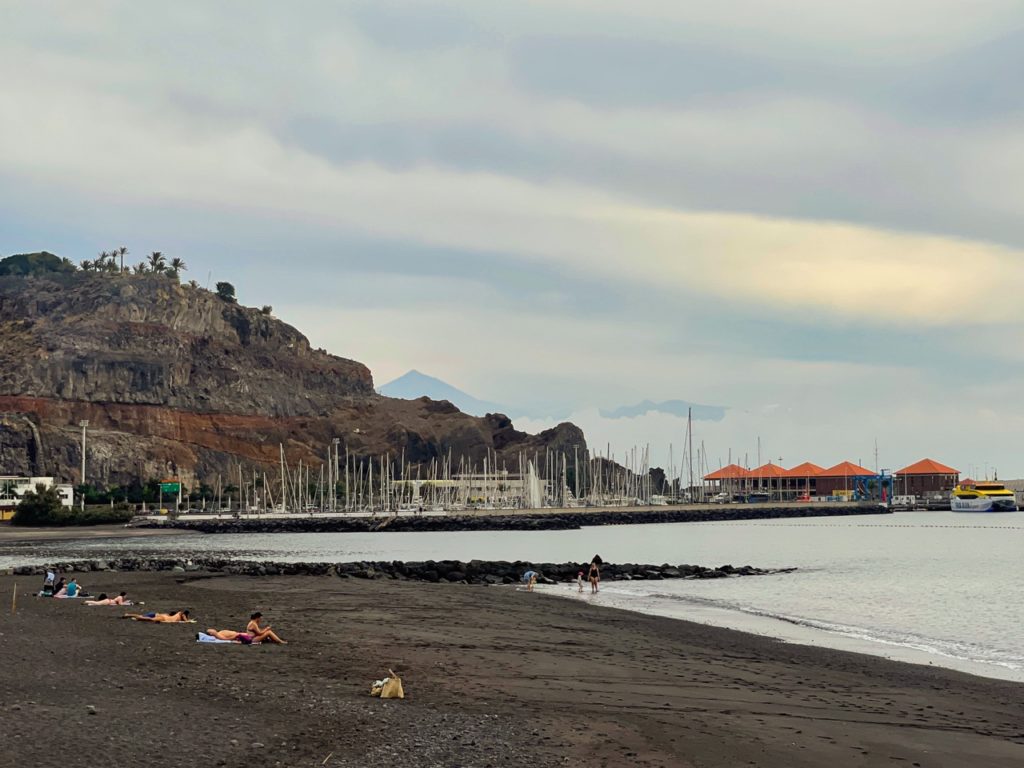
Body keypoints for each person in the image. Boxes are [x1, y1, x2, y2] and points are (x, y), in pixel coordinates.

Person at [123, 609, 191, 623]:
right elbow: (185, 620)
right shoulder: (181, 614)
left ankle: (131, 616)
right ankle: (137, 618)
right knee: (149, 619)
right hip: (163, 618)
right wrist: (188, 620)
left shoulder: (177, 615)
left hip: (161, 616)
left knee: (148, 618)